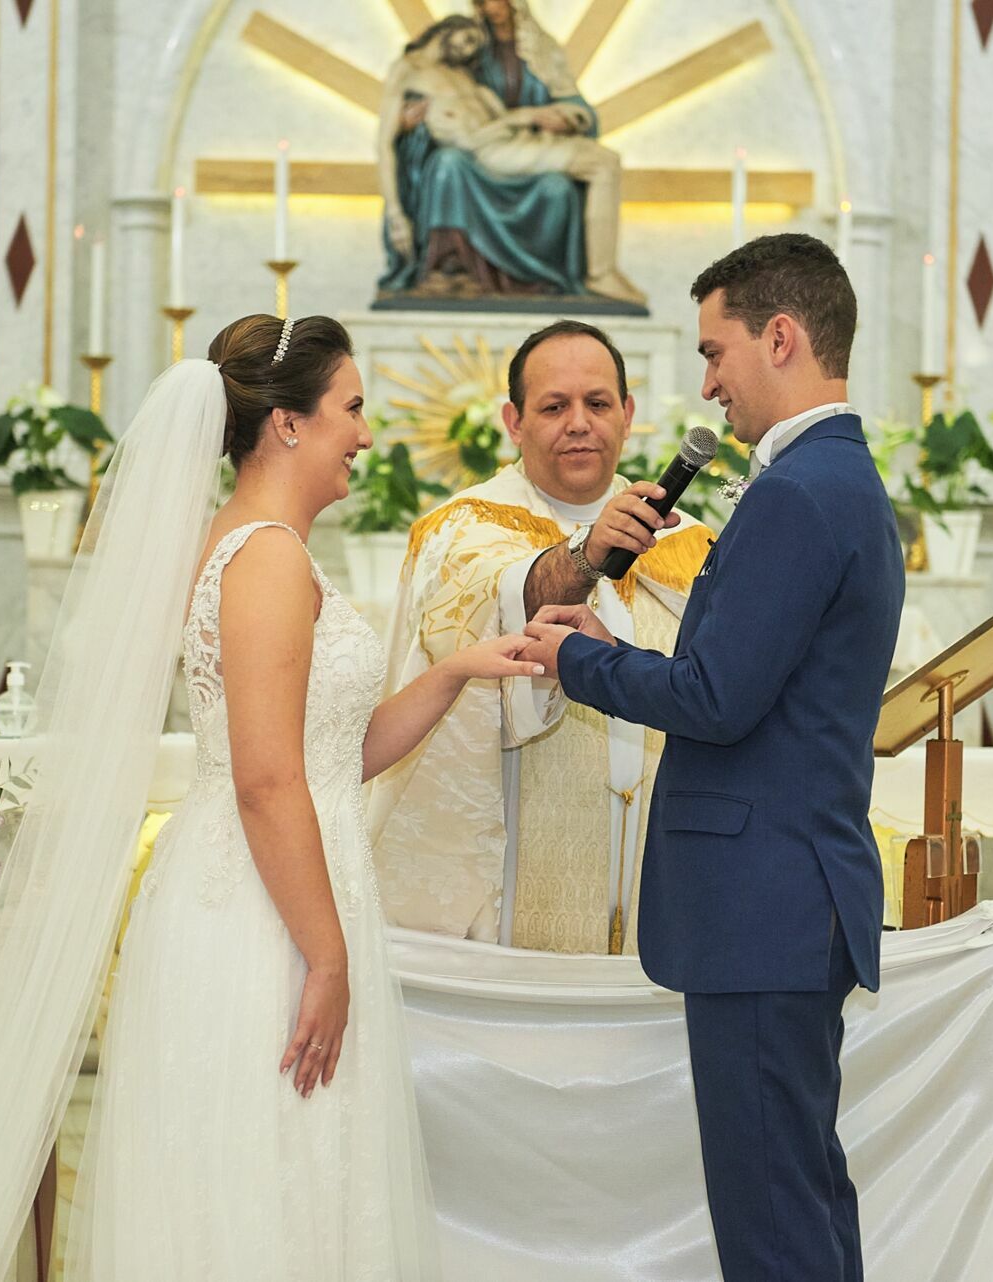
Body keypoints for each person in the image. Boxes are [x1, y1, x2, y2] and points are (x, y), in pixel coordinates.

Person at [0, 316, 543, 1279]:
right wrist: (329, 954)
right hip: (261, 918)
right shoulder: (263, 559)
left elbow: (331, 756)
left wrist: (459, 669)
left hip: (287, 897)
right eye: (352, 408)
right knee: (265, 1191)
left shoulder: (267, 551)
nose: (366, 433)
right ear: (289, 425)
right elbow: (266, 783)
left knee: (296, 1184)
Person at [522, 234, 904, 1281]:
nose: (707, 383)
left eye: (715, 350)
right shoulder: (841, 479)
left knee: (773, 1221)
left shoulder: (796, 491)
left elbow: (718, 701)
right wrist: (620, 653)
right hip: (785, 898)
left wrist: (581, 663)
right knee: (799, 1198)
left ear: (779, 336)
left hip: (761, 903)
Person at [372, 320, 708, 953]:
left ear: (628, 414)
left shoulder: (689, 542)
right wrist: (587, 553)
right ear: (514, 421)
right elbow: (513, 600)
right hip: (513, 896)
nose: (578, 422)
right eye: (554, 406)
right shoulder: (462, 532)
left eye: (598, 403)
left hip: (660, 881)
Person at [377, 12, 644, 305]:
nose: (469, 49)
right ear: (449, 29)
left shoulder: (464, 74)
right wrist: (395, 213)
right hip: (489, 151)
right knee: (603, 163)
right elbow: (385, 142)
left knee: (599, 163)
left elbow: (502, 117)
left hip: (510, 141)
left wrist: (557, 117)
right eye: (468, 38)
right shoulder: (406, 70)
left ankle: (598, 272)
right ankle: (600, 274)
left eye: (475, 45)